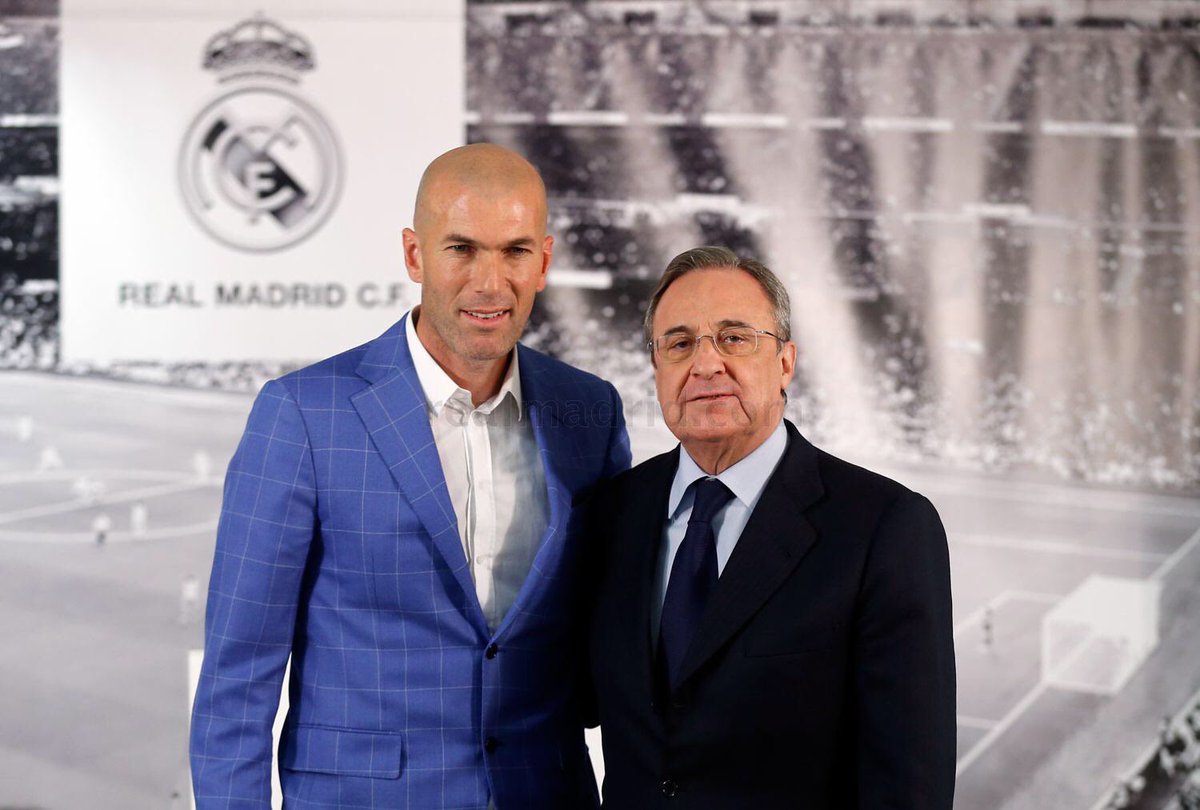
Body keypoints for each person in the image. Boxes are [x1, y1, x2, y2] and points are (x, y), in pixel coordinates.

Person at [190, 144, 631, 810]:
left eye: (514, 251)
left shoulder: (589, 411)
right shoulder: (303, 415)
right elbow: (238, 675)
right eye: (462, 249)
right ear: (414, 255)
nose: (490, 282)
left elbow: (612, 637)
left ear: (543, 262)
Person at [587, 246, 955, 809]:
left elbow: (909, 787)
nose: (706, 365)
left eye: (734, 338)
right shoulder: (613, 512)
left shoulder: (886, 527)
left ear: (785, 362)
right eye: (679, 344)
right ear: (657, 369)